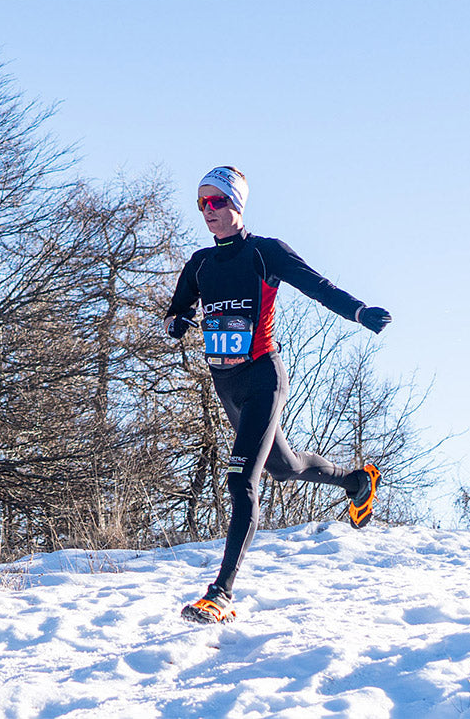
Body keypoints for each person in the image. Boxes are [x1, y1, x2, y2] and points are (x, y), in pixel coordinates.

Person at [164, 166, 392, 624]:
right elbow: (175, 312)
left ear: (237, 204)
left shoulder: (264, 254)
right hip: (224, 382)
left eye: (217, 201)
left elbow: (317, 285)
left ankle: (220, 593)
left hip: (264, 377)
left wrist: (359, 311)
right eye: (201, 203)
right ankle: (356, 482)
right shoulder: (201, 265)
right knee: (283, 469)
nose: (209, 211)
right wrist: (177, 322)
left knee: (240, 479)